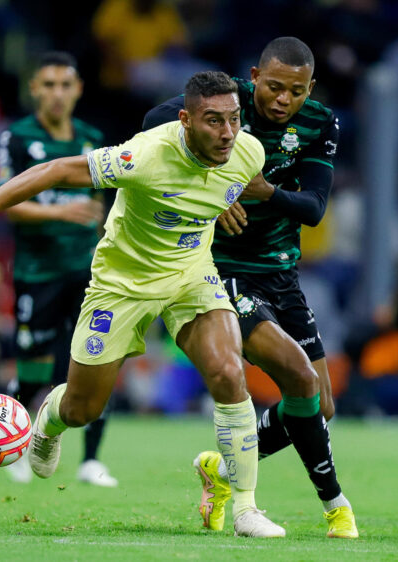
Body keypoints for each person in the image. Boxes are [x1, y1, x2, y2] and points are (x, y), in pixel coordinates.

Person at [0, 71, 285, 538]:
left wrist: (228, 201)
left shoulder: (246, 151)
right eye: (214, 121)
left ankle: (245, 510)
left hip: (191, 277)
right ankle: (48, 424)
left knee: (229, 372)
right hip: (121, 285)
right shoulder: (144, 155)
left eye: (234, 119)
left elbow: (239, 183)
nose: (227, 132)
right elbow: (53, 171)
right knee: (82, 409)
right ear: (185, 121)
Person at [143, 37, 357, 539]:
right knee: (299, 378)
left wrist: (265, 192)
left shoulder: (321, 122)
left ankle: (221, 469)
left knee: (319, 405)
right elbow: (155, 120)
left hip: (282, 271)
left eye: (297, 91)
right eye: (276, 87)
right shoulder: (226, 102)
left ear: (311, 89)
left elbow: (314, 208)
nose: (284, 101)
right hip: (221, 269)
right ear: (255, 76)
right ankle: (335, 506)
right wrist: (212, 194)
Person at [0, 52, 116, 486]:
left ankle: (91, 461)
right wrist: (62, 214)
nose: (57, 93)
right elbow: (6, 201)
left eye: (65, 84)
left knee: (97, 360)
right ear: (34, 89)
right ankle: (12, 446)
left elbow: (103, 206)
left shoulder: (93, 139)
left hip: (90, 273)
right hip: (37, 271)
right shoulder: (17, 138)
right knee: (32, 371)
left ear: (79, 89)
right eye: (48, 85)